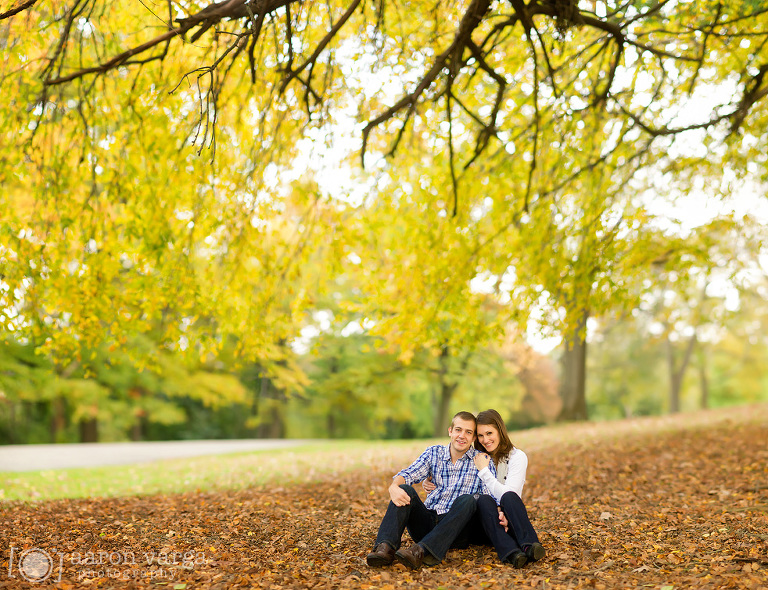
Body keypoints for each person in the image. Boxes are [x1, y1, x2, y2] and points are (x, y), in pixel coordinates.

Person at [366, 411, 495, 570]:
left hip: (457, 529)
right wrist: (394, 486)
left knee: (469, 500)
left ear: (474, 438)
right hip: (427, 523)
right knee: (405, 489)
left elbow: (488, 499)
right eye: (458, 430)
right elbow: (409, 473)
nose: (462, 436)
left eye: (468, 432)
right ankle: (385, 548)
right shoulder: (434, 453)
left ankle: (422, 551)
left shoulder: (482, 460)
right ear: (450, 431)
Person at [423, 408, 545, 568]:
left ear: (500, 431)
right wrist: (431, 480)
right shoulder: (474, 456)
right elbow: (455, 482)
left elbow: (510, 496)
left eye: (489, 433)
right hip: (481, 523)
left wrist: (484, 471)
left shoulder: (517, 457)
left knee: (507, 497)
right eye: (480, 435)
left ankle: (529, 546)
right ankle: (512, 553)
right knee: (484, 500)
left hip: (509, 519)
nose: (485, 440)